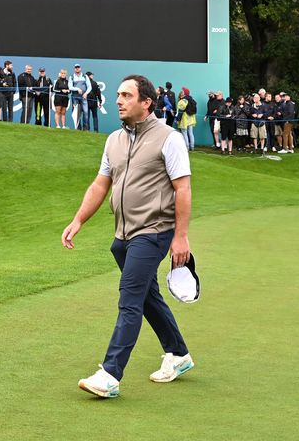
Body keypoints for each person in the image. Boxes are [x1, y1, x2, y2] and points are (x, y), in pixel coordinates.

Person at [62, 75, 194, 399]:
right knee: (147, 296)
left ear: (146, 102)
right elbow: (100, 185)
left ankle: (110, 374)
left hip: (154, 231)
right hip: (122, 235)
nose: (119, 100)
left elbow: (183, 188)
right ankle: (178, 353)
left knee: (130, 298)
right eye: (118, 95)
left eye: (126, 95)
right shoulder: (113, 141)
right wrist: (79, 219)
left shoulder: (169, 138)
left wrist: (181, 237)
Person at [71, 64, 90, 130]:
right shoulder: (72, 77)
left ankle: (85, 128)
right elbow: (70, 87)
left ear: (80, 68)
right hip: (75, 97)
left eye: (78, 67)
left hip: (83, 96)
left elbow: (89, 87)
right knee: (76, 113)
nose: (77, 69)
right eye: (76, 67)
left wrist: (86, 93)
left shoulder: (85, 76)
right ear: (74, 69)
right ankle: (78, 128)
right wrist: (77, 89)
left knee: (85, 112)